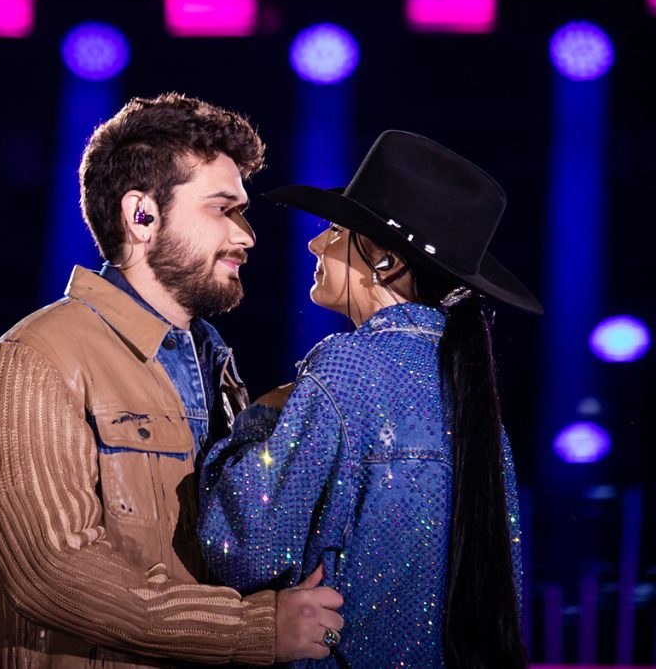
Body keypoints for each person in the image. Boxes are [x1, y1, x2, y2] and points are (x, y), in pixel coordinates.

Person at [0, 93, 344, 668]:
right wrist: (255, 628)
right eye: (223, 209)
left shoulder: (216, 368)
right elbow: (55, 574)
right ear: (141, 215)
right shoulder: (35, 358)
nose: (247, 237)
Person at [197, 130, 543, 668]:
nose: (316, 244)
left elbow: (241, 548)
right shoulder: (475, 402)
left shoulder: (349, 366)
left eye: (336, 230)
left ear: (386, 262)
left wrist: (257, 418)